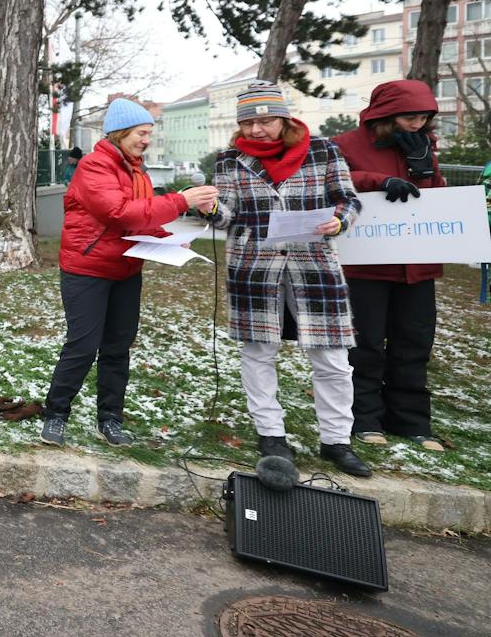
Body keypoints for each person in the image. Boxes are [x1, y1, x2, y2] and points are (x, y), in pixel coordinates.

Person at [208, 81, 370, 477]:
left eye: (264, 121)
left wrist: (339, 221)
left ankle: (336, 440)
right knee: (258, 353)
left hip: (313, 266)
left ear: (283, 117)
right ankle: (271, 435)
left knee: (332, 358)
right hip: (253, 268)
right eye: (248, 122)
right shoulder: (230, 160)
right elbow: (228, 214)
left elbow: (349, 200)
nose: (255, 130)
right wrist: (211, 208)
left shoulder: (323, 151)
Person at [42, 98, 218, 447]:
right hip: (87, 269)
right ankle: (56, 414)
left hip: (126, 268)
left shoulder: (137, 170)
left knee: (118, 347)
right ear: (120, 133)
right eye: (141, 132)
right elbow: (120, 213)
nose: (146, 140)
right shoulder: (94, 167)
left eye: (149, 133)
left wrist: (170, 240)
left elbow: (144, 217)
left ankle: (109, 419)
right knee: (82, 346)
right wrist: (182, 200)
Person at [332, 80, 446, 452]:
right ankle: (364, 417)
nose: (417, 123)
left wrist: (423, 169)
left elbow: (441, 197)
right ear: (386, 113)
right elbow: (334, 181)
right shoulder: (347, 144)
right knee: (365, 343)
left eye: (423, 117)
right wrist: (378, 181)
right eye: (409, 116)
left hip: (417, 262)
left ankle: (411, 419)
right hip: (367, 263)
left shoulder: (424, 145)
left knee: (413, 342)